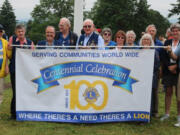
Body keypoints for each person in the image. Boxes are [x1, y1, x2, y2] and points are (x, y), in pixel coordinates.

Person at [8, 24, 34, 119]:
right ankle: (13, 113)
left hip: (26, 71)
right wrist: (10, 45)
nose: (20, 33)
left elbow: (33, 56)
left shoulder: (30, 43)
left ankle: (26, 111)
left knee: (26, 91)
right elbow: (9, 50)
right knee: (15, 92)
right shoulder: (12, 39)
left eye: (22, 31)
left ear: (25, 32)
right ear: (16, 32)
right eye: (18, 31)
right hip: (14, 70)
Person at [139, 33, 160, 118]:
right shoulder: (138, 50)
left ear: (151, 41)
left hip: (150, 77)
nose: (146, 41)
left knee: (150, 95)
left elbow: (157, 65)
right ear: (142, 41)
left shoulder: (154, 52)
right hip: (140, 76)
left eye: (148, 39)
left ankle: (149, 113)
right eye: (144, 39)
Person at [145, 24, 164, 117]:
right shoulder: (142, 43)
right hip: (144, 72)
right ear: (147, 32)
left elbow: (162, 58)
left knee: (154, 91)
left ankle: (155, 111)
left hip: (155, 71)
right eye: (150, 31)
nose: (151, 32)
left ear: (155, 32)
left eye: (153, 31)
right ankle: (145, 109)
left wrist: (161, 70)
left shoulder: (160, 44)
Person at [165, 23, 180, 127]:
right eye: (173, 31)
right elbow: (165, 56)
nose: (175, 32)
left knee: (178, 94)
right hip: (168, 70)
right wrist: (169, 67)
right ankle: (167, 113)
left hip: (178, 70)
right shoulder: (167, 42)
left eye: (177, 30)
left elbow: (177, 58)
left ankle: (179, 116)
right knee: (168, 92)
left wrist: (176, 67)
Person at [0, 24, 10, 95]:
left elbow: (8, 55)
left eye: (1, 31)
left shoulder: (5, 42)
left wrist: (6, 66)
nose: (0, 33)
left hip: (1, 71)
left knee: (0, 92)